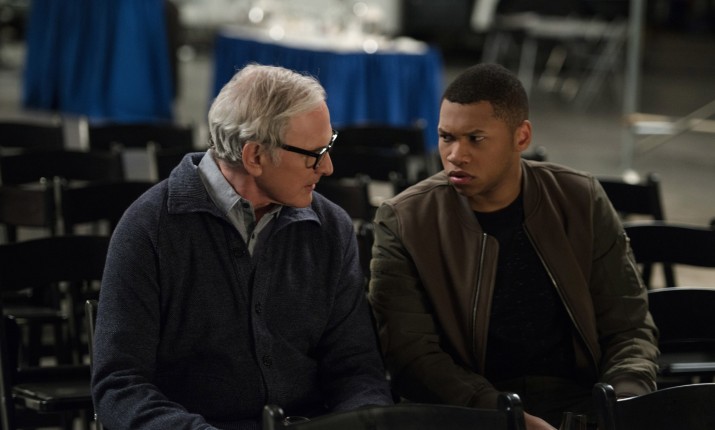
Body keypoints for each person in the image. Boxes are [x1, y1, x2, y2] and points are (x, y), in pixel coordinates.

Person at [92, 64, 393, 430]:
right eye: (313, 154)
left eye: (328, 146)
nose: (327, 167)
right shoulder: (149, 229)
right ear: (255, 157)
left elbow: (357, 369)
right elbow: (120, 386)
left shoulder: (331, 227)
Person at [368, 63, 659, 430]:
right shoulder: (405, 219)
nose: (456, 154)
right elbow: (412, 355)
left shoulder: (580, 198)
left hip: (583, 403)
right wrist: (503, 415)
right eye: (446, 137)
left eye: (475, 138)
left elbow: (628, 326)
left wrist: (623, 403)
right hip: (469, 412)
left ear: (521, 137)